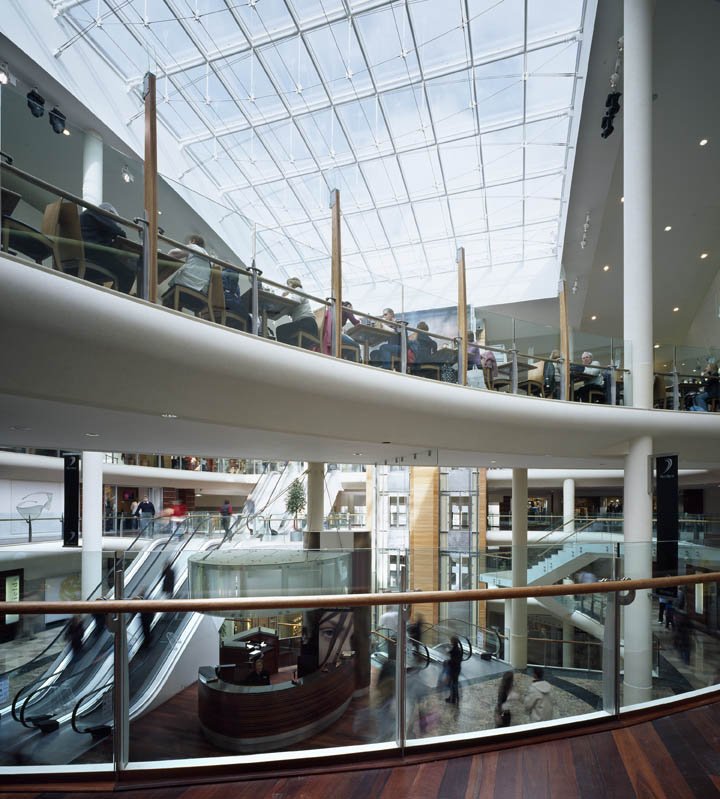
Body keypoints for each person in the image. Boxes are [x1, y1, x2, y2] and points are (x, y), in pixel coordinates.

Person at [79, 202, 135, 294]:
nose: (113, 222)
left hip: (82, 254)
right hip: (92, 254)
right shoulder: (97, 213)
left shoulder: (87, 216)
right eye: (113, 220)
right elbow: (120, 233)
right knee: (128, 275)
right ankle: (116, 302)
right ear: (108, 213)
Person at [161, 234, 211, 313]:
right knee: (177, 300)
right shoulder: (208, 257)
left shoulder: (193, 247)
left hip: (185, 290)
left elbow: (172, 254)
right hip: (200, 297)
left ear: (193, 241)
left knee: (168, 299)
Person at [275, 277, 319, 347]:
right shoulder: (297, 293)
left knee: (280, 330)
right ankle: (291, 349)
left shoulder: (298, 290)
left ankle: (287, 350)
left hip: (306, 324)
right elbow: (289, 310)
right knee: (284, 331)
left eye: (288, 284)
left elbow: (296, 301)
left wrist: (286, 293)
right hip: (307, 324)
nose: (287, 287)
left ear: (292, 284)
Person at [444, 636, 462, 705]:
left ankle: (453, 699)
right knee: (454, 684)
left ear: (453, 642)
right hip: (457, 669)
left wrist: (448, 662)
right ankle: (454, 697)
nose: (450, 642)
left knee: (453, 684)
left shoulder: (455, 650)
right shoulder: (457, 649)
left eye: (451, 641)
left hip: (454, 669)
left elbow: (454, 661)